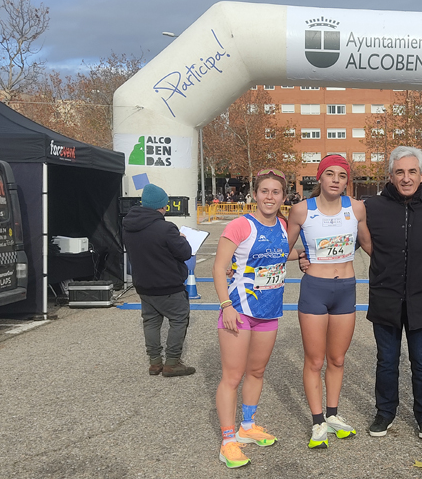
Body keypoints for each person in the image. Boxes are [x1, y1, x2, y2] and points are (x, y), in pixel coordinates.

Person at [365, 146, 422, 441]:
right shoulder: (372, 207)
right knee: (386, 361)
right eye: (399, 172)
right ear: (390, 175)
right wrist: (306, 255)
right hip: (386, 295)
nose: (406, 178)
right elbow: (342, 242)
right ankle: (385, 412)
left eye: (412, 172)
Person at [212, 169, 301, 469]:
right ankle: (227, 441)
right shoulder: (240, 225)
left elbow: (278, 254)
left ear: (284, 197)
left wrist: (301, 255)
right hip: (239, 311)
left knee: (257, 372)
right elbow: (219, 266)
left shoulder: (283, 225)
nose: (269, 197)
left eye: (276, 192)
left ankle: (247, 426)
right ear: (254, 194)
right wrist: (226, 305)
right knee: (232, 377)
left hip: (270, 311)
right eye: (264, 191)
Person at [287, 154, 372, 449]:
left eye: (341, 176)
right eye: (330, 174)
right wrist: (300, 255)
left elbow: (370, 245)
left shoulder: (357, 208)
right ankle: (317, 421)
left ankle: (333, 415)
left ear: (347, 181)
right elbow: (282, 249)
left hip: (346, 288)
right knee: (315, 360)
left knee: (337, 359)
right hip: (315, 289)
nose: (336, 180)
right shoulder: (300, 211)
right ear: (319, 178)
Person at [122, 183, 195, 377]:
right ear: (161, 206)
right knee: (179, 319)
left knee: (151, 322)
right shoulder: (166, 228)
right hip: (168, 284)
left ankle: (154, 362)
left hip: (144, 285)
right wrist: (181, 238)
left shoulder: (129, 227)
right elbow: (185, 253)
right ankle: (172, 362)